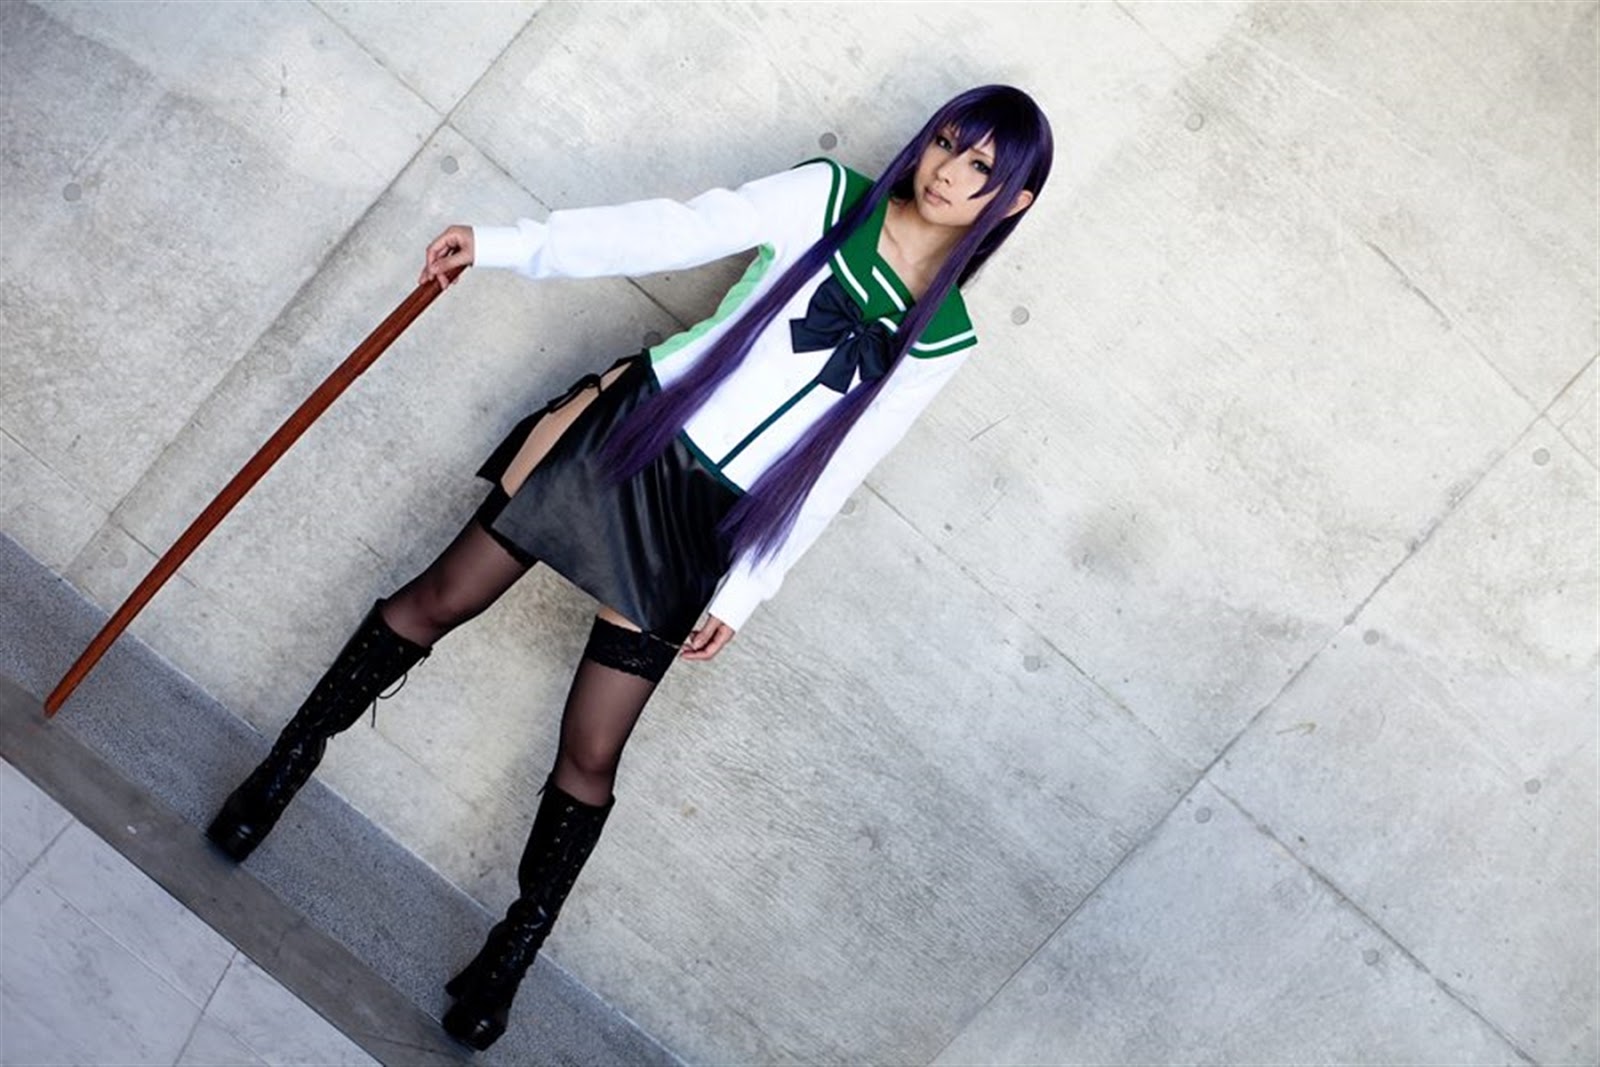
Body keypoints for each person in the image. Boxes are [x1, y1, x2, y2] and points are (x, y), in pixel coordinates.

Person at [204, 84, 1053, 1051]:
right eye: (947, 142)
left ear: (1013, 200)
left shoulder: (945, 337)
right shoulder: (827, 199)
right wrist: (505, 244)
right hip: (632, 434)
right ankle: (279, 773)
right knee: (437, 599)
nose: (948, 172)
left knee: (593, 748)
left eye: (981, 167)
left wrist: (748, 589)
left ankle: (510, 952)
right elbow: (669, 231)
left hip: (707, 524)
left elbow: (842, 469)